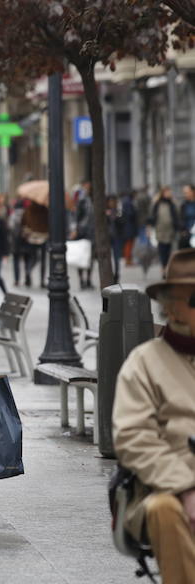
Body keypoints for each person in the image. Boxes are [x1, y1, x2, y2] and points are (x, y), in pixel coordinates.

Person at [113, 248, 195, 584]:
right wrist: (187, 488)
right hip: (160, 489)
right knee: (165, 508)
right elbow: (133, 438)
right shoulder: (145, 362)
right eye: (185, 299)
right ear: (171, 305)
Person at [71, 181, 94, 289]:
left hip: (91, 232)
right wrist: (75, 229)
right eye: (86, 186)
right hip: (82, 231)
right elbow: (76, 216)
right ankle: (81, 280)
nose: (88, 188)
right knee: (81, 255)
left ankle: (88, 279)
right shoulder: (81, 200)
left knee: (90, 256)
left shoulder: (93, 198)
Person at [151, 186, 180, 269]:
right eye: (166, 192)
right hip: (160, 230)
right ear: (162, 193)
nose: (168, 194)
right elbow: (152, 216)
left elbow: (177, 216)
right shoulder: (157, 203)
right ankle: (163, 267)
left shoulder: (173, 204)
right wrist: (149, 227)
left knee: (170, 250)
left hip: (171, 230)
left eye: (169, 192)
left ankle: (168, 267)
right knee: (162, 250)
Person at [181, 184, 195, 250]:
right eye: (184, 193)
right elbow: (182, 219)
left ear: (193, 192)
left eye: (187, 192)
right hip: (187, 235)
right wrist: (183, 231)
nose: (185, 195)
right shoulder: (184, 205)